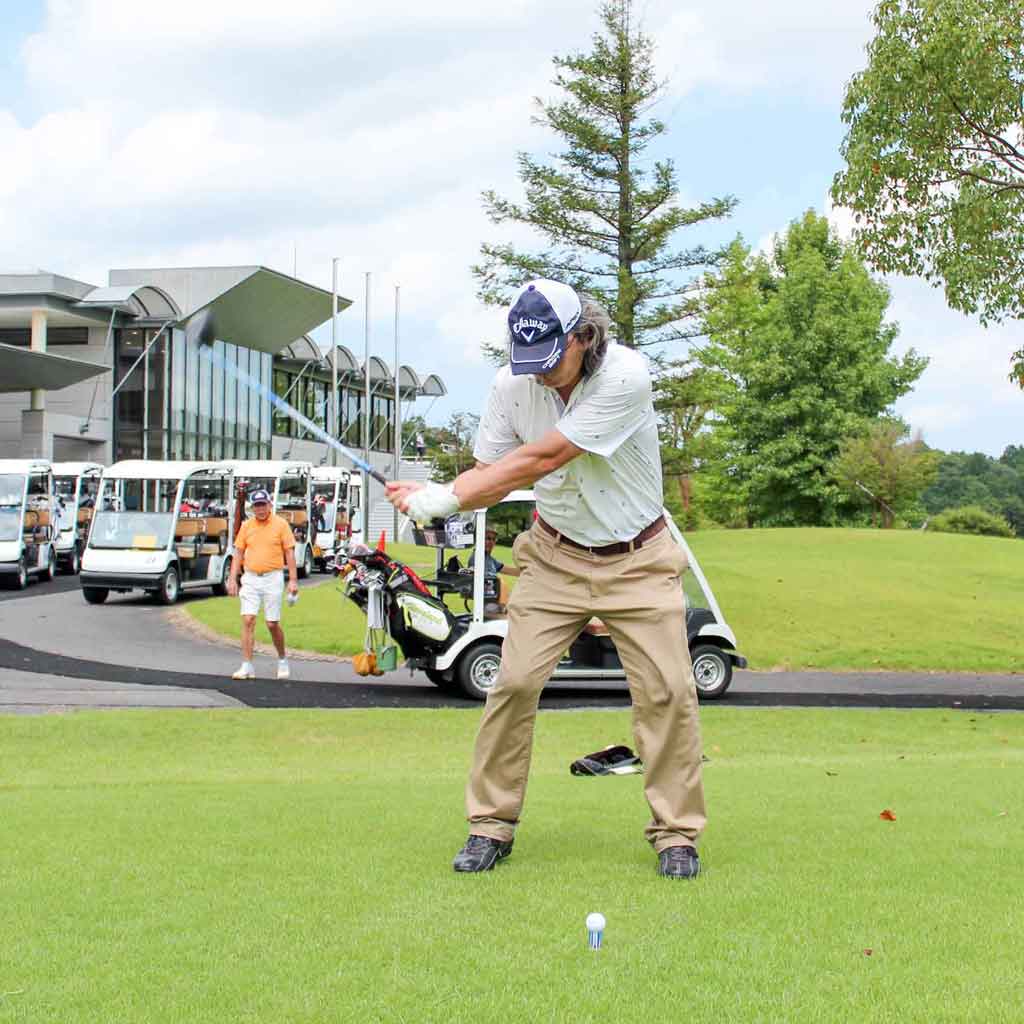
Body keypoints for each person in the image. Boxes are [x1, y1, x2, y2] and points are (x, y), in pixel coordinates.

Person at [386, 279, 705, 880]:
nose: (540, 373)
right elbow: (492, 476)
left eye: (552, 358)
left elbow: (544, 458)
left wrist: (447, 496)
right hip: (554, 557)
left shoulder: (626, 376)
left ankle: (676, 834)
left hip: (638, 558)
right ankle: (489, 825)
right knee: (512, 684)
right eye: (528, 359)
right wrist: (437, 496)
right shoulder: (511, 385)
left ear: (584, 337)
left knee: (669, 692)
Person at [226, 489, 299, 681]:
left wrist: (293, 580)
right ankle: (247, 665)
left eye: (263, 505)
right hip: (250, 577)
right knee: (248, 619)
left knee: (272, 623)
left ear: (269, 505)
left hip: (272, 577)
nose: (260, 509)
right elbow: (238, 552)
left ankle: (282, 659)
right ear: (252, 508)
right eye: (257, 506)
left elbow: (289, 552)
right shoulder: (247, 526)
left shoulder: (281, 524)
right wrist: (232, 578)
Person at [468, 528, 521, 617]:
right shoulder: (477, 558)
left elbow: (509, 570)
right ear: (479, 539)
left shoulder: (490, 559)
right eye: (488, 538)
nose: (491, 542)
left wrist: (530, 570)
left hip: (497, 602)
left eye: (493, 539)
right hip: (489, 605)